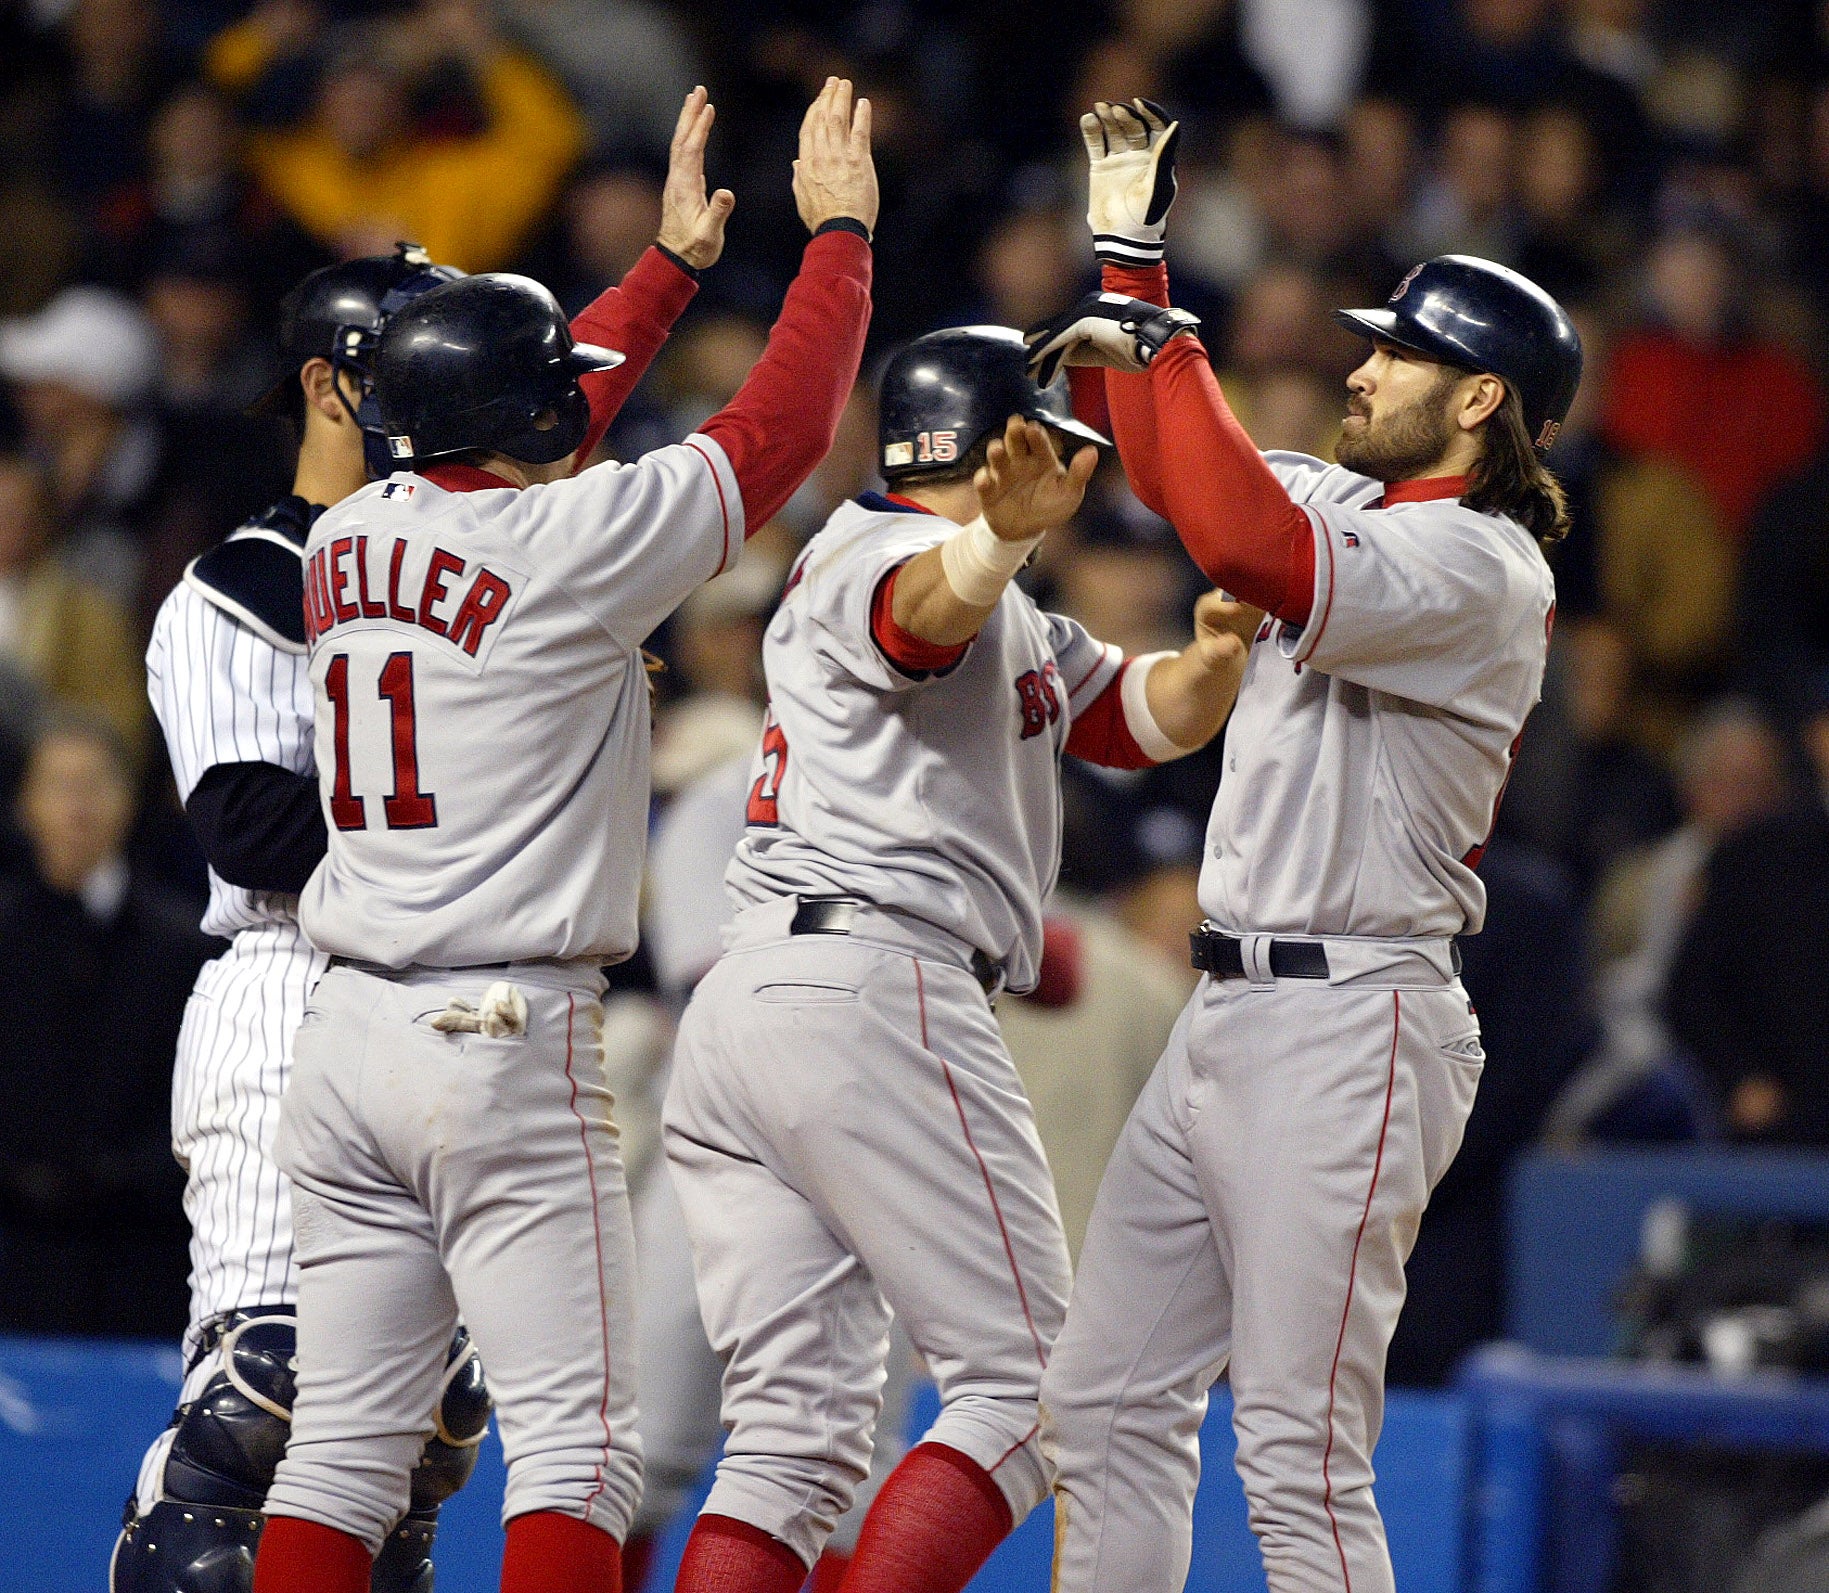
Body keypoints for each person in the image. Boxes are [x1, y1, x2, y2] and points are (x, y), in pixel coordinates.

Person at [249, 77, 874, 1593]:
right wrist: (839, 241)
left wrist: (662, 274)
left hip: (343, 1036)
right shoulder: (572, 542)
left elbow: (524, 407)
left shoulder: (349, 535)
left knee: (340, 1447)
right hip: (497, 1034)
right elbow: (779, 429)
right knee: (581, 1450)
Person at [122, 87, 729, 1593]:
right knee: (256, 1414)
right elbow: (248, 823)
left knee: (416, 1450)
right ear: (343, 382)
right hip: (285, 977)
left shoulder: (426, 532)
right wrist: (492, 744)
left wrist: (663, 269)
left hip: (409, 988)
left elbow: (548, 407)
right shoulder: (234, 581)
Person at [1024, 99, 1579, 1593]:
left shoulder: (1482, 563)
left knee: (1295, 1457)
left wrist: (1160, 334)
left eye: (1398, 353)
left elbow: (1255, 548)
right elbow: (1196, 486)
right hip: (1235, 1011)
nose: (1365, 364)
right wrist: (1131, 278)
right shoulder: (1361, 499)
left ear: (1479, 402)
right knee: (1106, 1402)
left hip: (1355, 1023)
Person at [664, 325, 1258, 1593]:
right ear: (1003, 450)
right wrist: (990, 540)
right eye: (1056, 446)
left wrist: (1209, 662)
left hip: (768, 1006)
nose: (1076, 475)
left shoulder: (1018, 616)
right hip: (870, 984)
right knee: (1037, 1386)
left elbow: (1132, 717)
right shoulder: (870, 552)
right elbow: (912, 626)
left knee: (792, 1447)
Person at [0, 715, 212, 1337]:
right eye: (59, 787)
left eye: (93, 786)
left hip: (144, 1276)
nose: (76, 807)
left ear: (126, 801)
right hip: (15, 1270)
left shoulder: (184, 947)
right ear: (26, 805)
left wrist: (115, 1178)